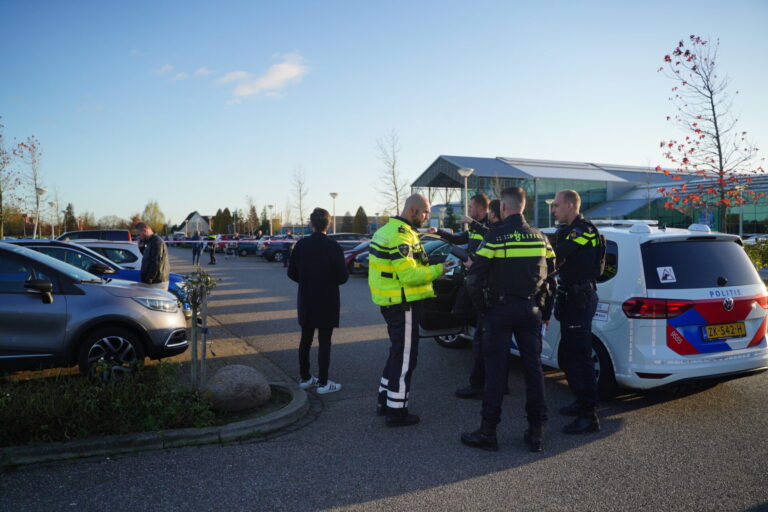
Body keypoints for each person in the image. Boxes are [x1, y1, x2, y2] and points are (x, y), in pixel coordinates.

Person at [460, 187, 554, 452]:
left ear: (503, 208)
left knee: (495, 373)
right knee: (534, 371)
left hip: (499, 312)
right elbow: (551, 277)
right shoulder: (541, 238)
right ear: (523, 206)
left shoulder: (495, 237)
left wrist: (482, 309)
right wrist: (543, 310)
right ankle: (537, 432)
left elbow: (474, 277)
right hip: (531, 310)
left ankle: (488, 432)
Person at [368, 194, 450, 427]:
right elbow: (409, 275)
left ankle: (384, 400)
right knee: (405, 359)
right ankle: (397, 412)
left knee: (397, 354)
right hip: (402, 304)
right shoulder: (400, 236)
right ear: (413, 210)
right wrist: (439, 270)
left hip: (391, 301)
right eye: (425, 213)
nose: (426, 217)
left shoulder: (387, 230)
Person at [427, 194, 491, 399]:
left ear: (480, 209)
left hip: (484, 283)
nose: (469, 209)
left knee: (475, 322)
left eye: (471, 206)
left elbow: (492, 236)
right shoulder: (474, 227)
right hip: (472, 279)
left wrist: (473, 223)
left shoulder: (490, 225)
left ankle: (483, 377)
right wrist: (439, 232)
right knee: (460, 312)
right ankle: (473, 333)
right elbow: (459, 240)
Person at [551, 189, 603, 434]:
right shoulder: (567, 231)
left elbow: (557, 254)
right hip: (570, 296)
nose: (553, 209)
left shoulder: (585, 231)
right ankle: (580, 401)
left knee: (581, 357)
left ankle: (589, 416)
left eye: (557, 205)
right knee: (570, 355)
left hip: (581, 297)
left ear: (571, 205)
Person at [287, 208, 349, 394]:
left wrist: (306, 280)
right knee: (325, 341)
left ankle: (305, 377)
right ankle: (323, 382)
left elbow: (291, 272)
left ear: (311, 224)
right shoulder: (333, 246)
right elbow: (343, 277)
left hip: (306, 297)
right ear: (328, 224)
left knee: (305, 339)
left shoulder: (301, 245)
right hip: (327, 298)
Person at [134, 222, 170, 288]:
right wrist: (141, 248)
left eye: (139, 235)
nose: (138, 237)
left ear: (145, 230)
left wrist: (148, 280)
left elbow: (156, 263)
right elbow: (149, 259)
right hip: (155, 281)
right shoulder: (151, 241)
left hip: (156, 282)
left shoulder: (156, 242)